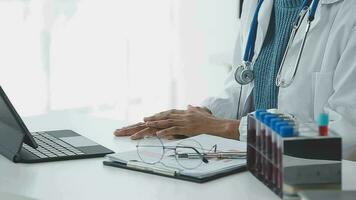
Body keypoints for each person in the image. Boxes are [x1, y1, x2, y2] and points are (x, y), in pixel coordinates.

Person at [114, 0, 356, 160]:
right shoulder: (256, 4)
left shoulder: (349, 13)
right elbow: (241, 83)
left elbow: (344, 134)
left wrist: (225, 127)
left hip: (316, 179)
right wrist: (197, 117)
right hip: (253, 161)